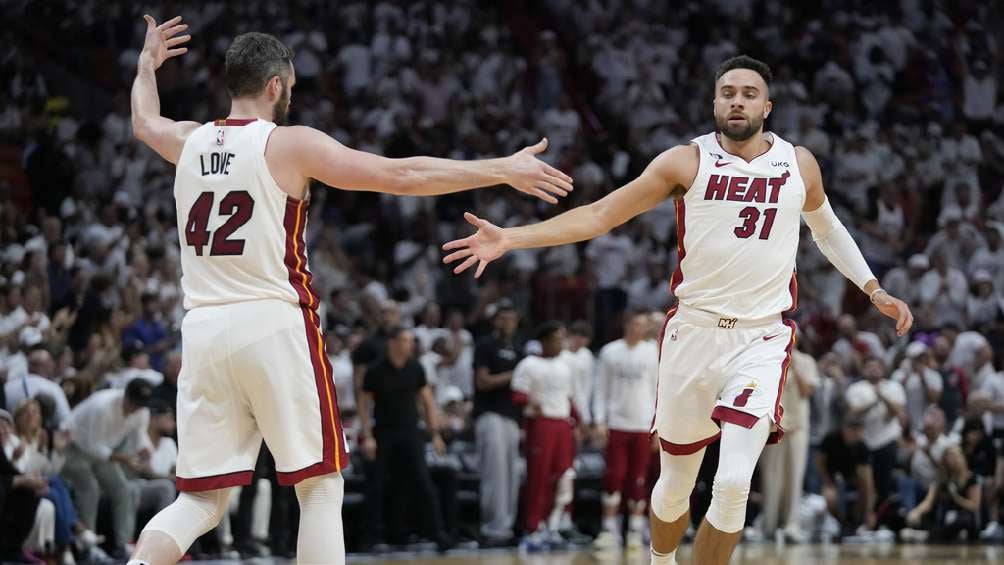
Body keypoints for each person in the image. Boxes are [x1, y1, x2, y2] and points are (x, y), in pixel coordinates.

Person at [126, 15, 571, 565]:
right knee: (319, 487)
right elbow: (400, 175)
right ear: (275, 85)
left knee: (198, 501)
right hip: (271, 321)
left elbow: (144, 121)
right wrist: (499, 169)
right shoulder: (287, 143)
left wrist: (147, 64)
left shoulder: (187, 140)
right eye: (290, 85)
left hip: (202, 331)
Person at [443, 54, 913, 565]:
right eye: (728, 91)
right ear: (714, 102)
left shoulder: (799, 163)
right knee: (672, 489)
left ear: (768, 105)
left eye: (749, 93)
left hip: (761, 338)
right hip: (692, 335)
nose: (737, 100)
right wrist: (511, 237)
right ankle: (660, 560)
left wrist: (872, 288)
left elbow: (827, 228)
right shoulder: (684, 162)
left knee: (733, 484)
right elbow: (601, 215)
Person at [356, 327, 452, 550]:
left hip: (410, 431)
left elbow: (427, 401)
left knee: (423, 481)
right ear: (392, 342)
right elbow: (363, 403)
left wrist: (435, 434)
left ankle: (438, 533)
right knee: (376, 484)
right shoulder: (375, 369)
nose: (409, 345)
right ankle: (371, 536)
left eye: (410, 341)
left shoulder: (415, 368)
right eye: (405, 340)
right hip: (383, 432)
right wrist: (368, 436)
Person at [60, 378, 155, 559]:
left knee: (122, 489)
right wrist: (122, 458)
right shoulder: (102, 407)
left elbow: (139, 434)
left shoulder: (142, 411)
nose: (136, 409)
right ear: (125, 396)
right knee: (89, 488)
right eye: (134, 403)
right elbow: (92, 445)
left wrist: (145, 449)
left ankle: (123, 544)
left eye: (141, 405)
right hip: (73, 447)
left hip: (105, 451)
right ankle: (89, 546)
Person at [511, 322, 584, 550]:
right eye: (555, 339)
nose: (560, 344)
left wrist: (579, 422)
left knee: (564, 478)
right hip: (541, 425)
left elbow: (569, 398)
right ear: (543, 341)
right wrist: (532, 402)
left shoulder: (565, 366)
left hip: (563, 425)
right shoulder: (528, 365)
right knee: (539, 478)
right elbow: (517, 395)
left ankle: (554, 527)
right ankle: (533, 529)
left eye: (562, 339)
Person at [592, 311, 659, 552]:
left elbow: (658, 391)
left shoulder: (652, 352)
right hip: (616, 424)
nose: (638, 328)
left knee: (638, 479)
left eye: (643, 325)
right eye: (634, 323)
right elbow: (600, 389)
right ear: (626, 324)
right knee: (614, 476)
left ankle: (634, 530)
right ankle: (609, 529)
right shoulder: (610, 352)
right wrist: (599, 420)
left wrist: (657, 426)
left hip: (642, 425)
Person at [472, 301, 524, 546]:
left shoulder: (519, 348)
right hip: (489, 414)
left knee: (512, 474)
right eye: (503, 318)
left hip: (512, 416)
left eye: (512, 319)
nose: (508, 323)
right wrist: (513, 375)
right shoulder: (485, 345)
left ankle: (506, 527)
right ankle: (491, 528)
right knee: (494, 473)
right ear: (495, 321)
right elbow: (482, 382)